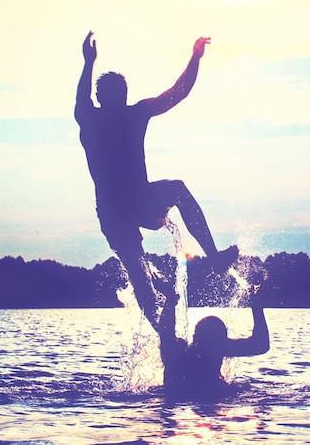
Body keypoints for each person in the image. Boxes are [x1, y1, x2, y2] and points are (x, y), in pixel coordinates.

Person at [74, 31, 238, 329]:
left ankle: (169, 340)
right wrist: (195, 58)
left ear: (105, 98)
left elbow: (177, 93)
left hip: (117, 212)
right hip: (134, 205)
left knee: (144, 285)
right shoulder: (131, 114)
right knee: (176, 194)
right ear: (120, 97)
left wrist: (88, 63)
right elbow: (178, 92)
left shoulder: (90, 117)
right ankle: (205, 264)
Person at [155, 276, 270, 398]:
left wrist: (170, 300)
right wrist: (257, 308)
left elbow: (166, 332)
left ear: (194, 337)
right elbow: (261, 345)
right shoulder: (217, 349)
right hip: (212, 395)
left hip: (177, 397)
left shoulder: (176, 354)